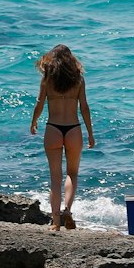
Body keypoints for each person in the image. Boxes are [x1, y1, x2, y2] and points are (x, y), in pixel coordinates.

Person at [28, 44, 94, 231]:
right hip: (73, 129)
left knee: (55, 177)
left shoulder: (47, 80)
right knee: (72, 173)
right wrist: (90, 133)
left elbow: (39, 104)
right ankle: (67, 210)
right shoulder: (79, 81)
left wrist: (33, 122)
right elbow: (84, 107)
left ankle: (56, 222)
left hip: (53, 129)